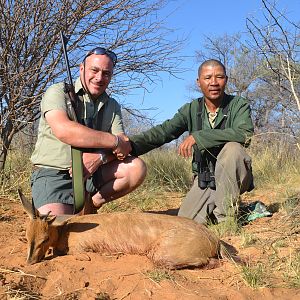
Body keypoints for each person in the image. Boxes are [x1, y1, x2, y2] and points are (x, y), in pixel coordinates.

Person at [129, 59, 254, 224]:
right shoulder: (191, 109)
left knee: (233, 149)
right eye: (208, 78)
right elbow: (163, 132)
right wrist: (129, 145)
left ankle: (227, 220)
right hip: (206, 179)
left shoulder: (238, 104)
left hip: (233, 175)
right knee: (186, 223)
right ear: (198, 82)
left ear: (226, 79)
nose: (214, 82)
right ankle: (222, 209)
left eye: (219, 77)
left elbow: (244, 134)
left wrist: (199, 136)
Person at [31, 47, 147, 215]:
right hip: (54, 175)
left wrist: (100, 157)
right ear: (81, 68)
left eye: (106, 73)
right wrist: (113, 141)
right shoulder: (57, 92)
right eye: (95, 70)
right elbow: (64, 130)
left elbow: (124, 146)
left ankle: (92, 203)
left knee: (136, 168)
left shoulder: (112, 105)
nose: (100, 78)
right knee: (56, 229)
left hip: (91, 176)